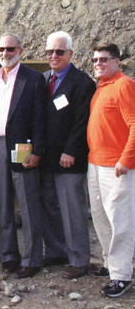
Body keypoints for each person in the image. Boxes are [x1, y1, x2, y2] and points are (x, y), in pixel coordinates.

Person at [0, 33, 46, 279]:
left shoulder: (33, 79)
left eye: (10, 48)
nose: (5, 53)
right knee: (4, 204)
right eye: (1, 48)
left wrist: (37, 151)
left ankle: (32, 259)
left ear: (20, 51)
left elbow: (40, 119)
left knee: (28, 204)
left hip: (24, 149)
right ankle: (9, 255)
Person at [40, 31, 96, 279]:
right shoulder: (43, 80)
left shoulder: (83, 83)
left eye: (59, 52)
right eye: (50, 52)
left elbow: (82, 122)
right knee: (50, 206)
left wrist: (71, 151)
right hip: (47, 157)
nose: (54, 56)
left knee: (73, 209)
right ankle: (56, 251)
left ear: (70, 54)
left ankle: (79, 259)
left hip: (69, 159)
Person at [87, 43, 135, 298]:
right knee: (101, 217)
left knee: (120, 221)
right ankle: (110, 263)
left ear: (117, 61)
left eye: (104, 59)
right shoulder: (101, 88)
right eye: (95, 60)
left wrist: (126, 160)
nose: (98, 64)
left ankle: (122, 275)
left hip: (117, 167)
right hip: (95, 163)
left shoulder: (124, 85)